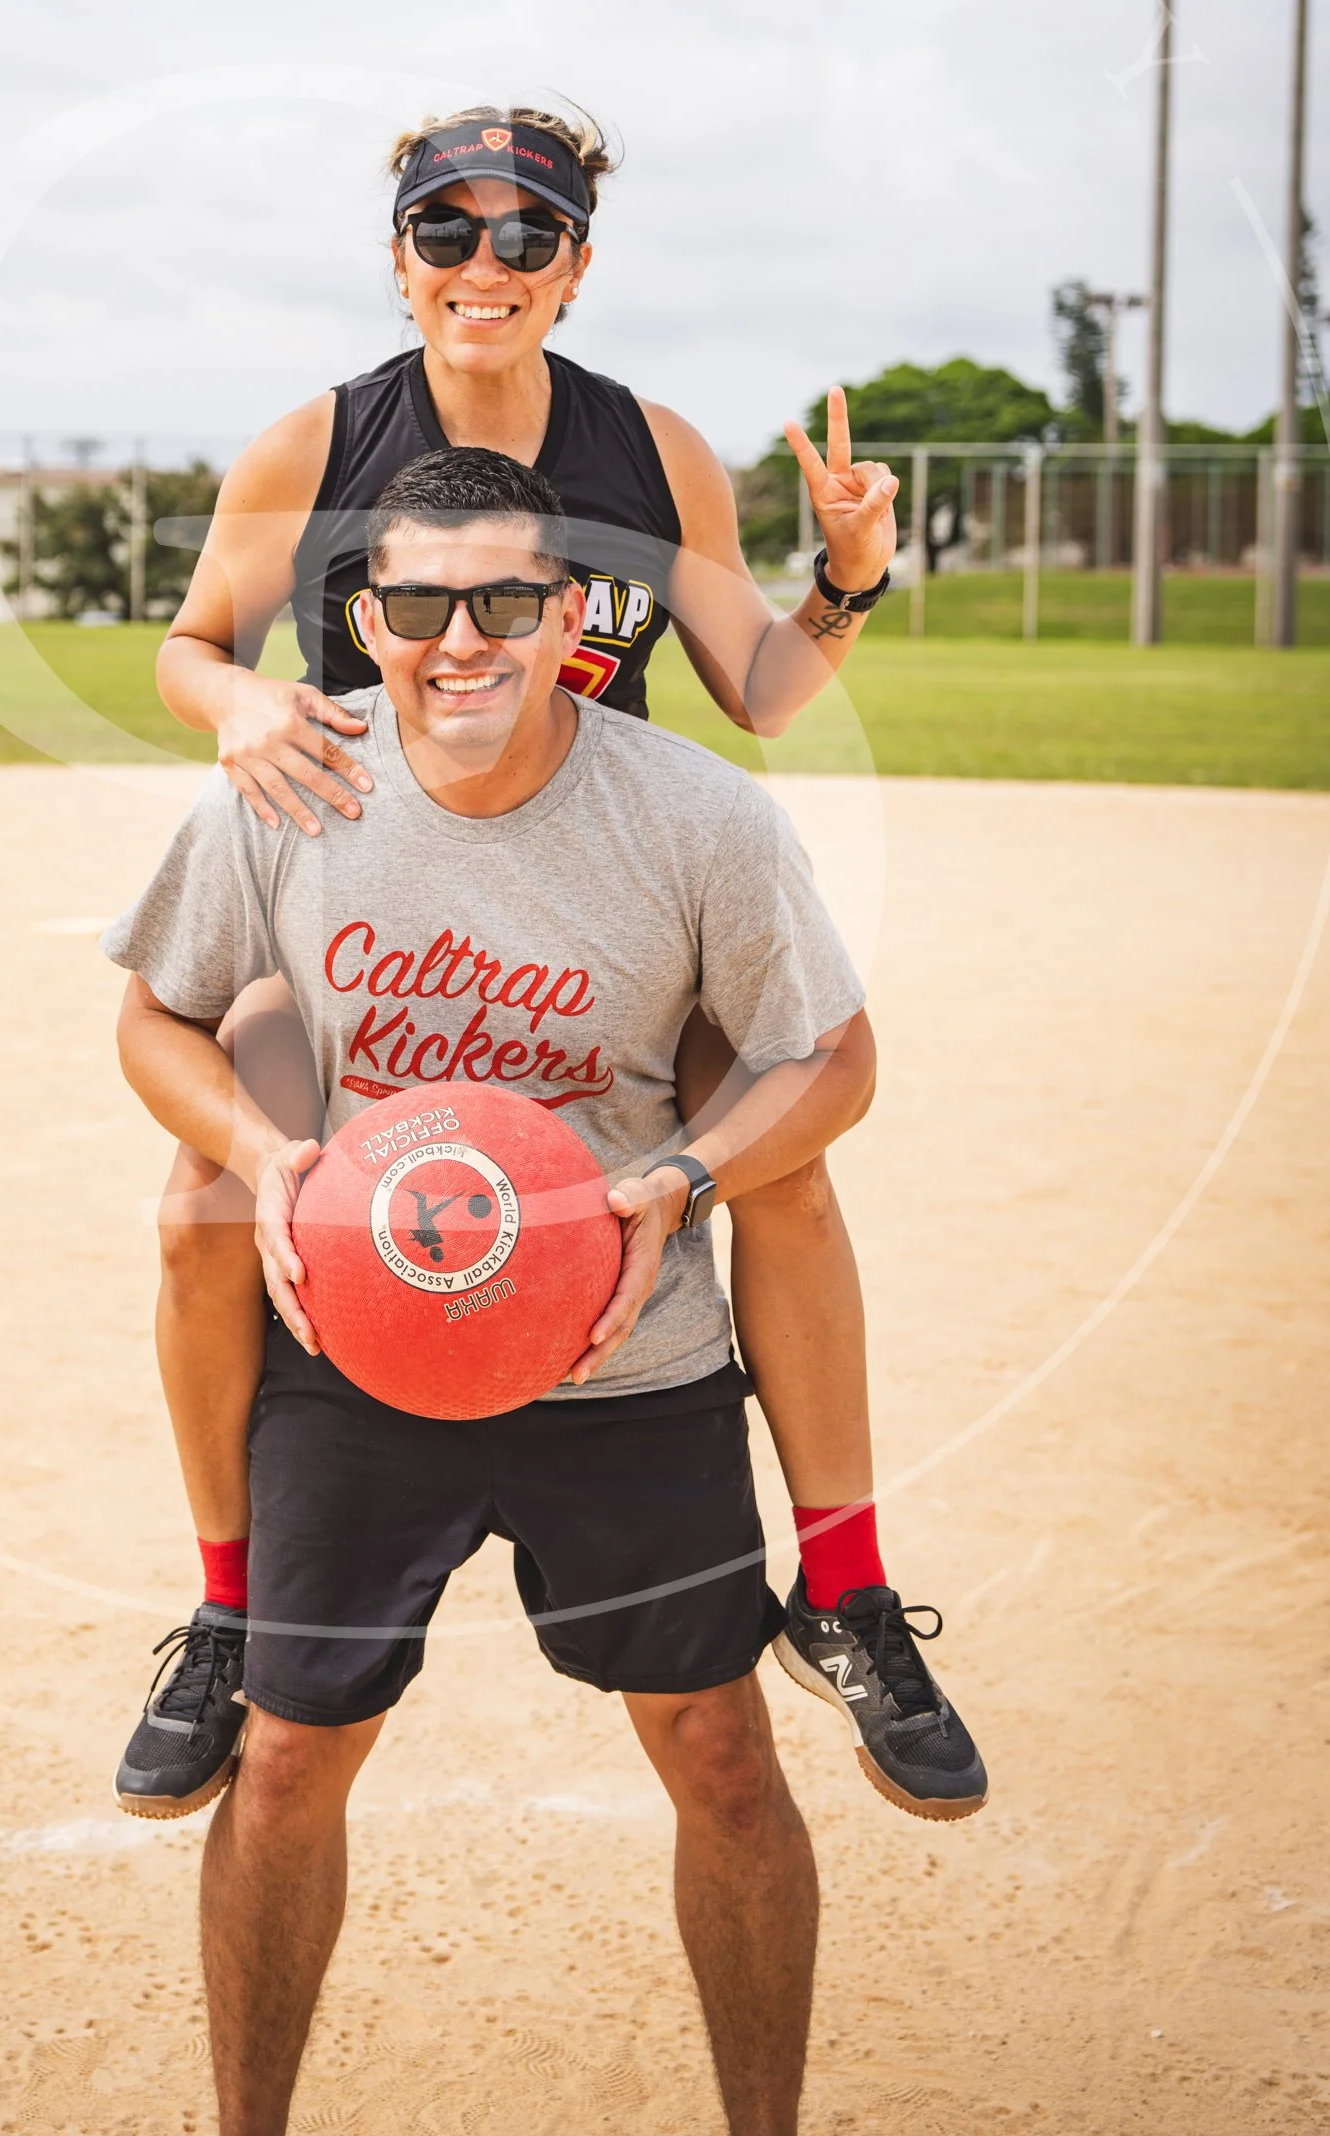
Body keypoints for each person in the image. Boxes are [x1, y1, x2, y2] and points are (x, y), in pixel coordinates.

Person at [114, 102, 981, 1824]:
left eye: (529, 235)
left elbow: (761, 691)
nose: (486, 264)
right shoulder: (314, 447)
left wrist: (851, 580)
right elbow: (190, 644)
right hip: (366, 887)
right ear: (401, 257)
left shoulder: (651, 452)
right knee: (202, 1195)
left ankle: (846, 1592)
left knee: (786, 1154)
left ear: (577, 266)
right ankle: (226, 1611)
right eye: (449, 230)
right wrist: (241, 705)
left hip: (600, 894)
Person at [103, 449, 982, 2136]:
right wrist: (261, 1151)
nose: (464, 642)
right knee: (284, 1761)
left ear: (573, 617)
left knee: (722, 1757)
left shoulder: (698, 818)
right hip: (361, 1353)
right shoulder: (294, 787)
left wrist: (688, 1179)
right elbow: (155, 1018)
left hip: (625, 1354)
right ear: (366, 620)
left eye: (507, 601)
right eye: (421, 605)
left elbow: (834, 1060)